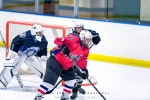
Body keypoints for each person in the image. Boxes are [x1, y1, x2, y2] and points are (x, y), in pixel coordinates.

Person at [34, 29, 94, 100]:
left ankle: (65, 97)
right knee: (49, 82)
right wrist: (63, 46)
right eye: (87, 39)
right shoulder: (73, 39)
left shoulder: (86, 49)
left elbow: (83, 60)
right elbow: (57, 40)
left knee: (71, 80)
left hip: (67, 66)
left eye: (90, 39)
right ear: (82, 38)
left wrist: (83, 70)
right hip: (56, 61)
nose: (89, 41)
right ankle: (38, 97)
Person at [0, 23, 48, 89]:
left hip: (30, 55)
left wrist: (43, 55)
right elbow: (15, 41)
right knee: (11, 67)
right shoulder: (26, 36)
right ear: (34, 32)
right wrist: (14, 52)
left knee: (39, 67)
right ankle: (1, 83)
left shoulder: (43, 40)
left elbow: (43, 48)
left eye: (41, 32)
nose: (41, 34)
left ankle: (49, 81)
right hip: (20, 53)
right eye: (38, 33)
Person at [70, 22, 101, 99]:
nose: (80, 29)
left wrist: (96, 37)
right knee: (73, 76)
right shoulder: (72, 37)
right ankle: (75, 91)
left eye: (81, 27)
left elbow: (94, 33)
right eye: (78, 28)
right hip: (72, 58)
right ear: (74, 29)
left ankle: (79, 86)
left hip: (82, 57)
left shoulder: (85, 33)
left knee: (81, 73)